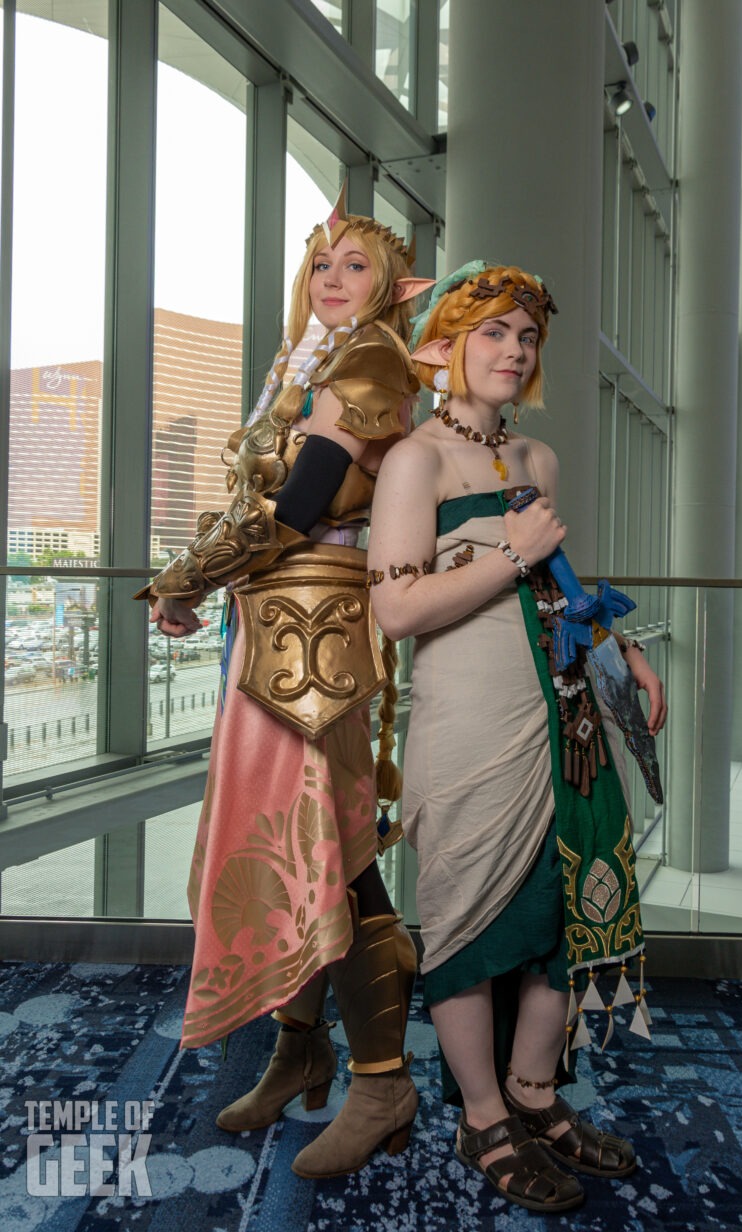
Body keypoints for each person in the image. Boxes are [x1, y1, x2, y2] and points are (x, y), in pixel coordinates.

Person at [139, 189, 434, 1178]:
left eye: (354, 266)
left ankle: (383, 1075)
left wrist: (182, 577)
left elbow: (302, 504)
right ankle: (302, 1046)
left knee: (334, 847)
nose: (333, 281)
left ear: (392, 286)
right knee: (301, 845)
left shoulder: (374, 358)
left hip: (317, 638)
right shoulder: (314, 363)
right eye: (320, 265)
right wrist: (204, 587)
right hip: (271, 631)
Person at [367, 261, 668, 1215]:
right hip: (469, 721)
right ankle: (483, 1115)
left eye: (525, 335)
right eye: (491, 331)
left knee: (566, 906)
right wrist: (510, 554)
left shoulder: (535, 460)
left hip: (569, 708)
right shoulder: (417, 460)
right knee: (466, 917)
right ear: (447, 347)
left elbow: (560, 585)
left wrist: (621, 648)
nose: (512, 349)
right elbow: (395, 608)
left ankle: (537, 1093)